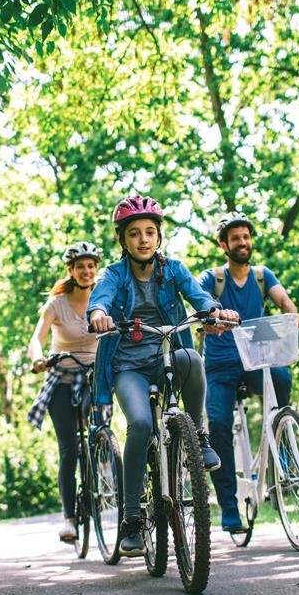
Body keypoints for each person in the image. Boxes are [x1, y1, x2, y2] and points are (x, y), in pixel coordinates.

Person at [88, 196, 240, 556]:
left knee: (192, 358)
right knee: (140, 423)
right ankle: (131, 520)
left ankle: (198, 438)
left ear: (158, 237)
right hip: (128, 366)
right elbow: (102, 297)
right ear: (123, 240)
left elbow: (197, 294)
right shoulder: (114, 274)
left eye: (150, 232)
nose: (143, 239)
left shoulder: (172, 269)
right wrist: (98, 313)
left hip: (167, 355)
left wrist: (214, 311)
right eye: (135, 233)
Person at [199, 211, 299, 533]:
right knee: (217, 424)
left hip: (255, 359)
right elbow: (200, 300)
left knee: (282, 379)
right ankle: (229, 508)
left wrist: (293, 315)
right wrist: (212, 314)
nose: (243, 243)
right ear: (224, 244)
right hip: (219, 365)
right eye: (235, 238)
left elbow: (283, 300)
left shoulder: (262, 275)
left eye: (246, 237)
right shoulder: (213, 278)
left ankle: (281, 454)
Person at [27, 241, 102, 544]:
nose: (86, 271)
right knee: (69, 448)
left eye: (91, 265)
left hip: (94, 377)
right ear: (71, 270)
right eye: (80, 266)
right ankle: (69, 519)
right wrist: (37, 358)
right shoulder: (56, 304)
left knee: (97, 435)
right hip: (61, 379)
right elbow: (37, 337)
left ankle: (103, 469)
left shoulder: (103, 298)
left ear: (96, 269)